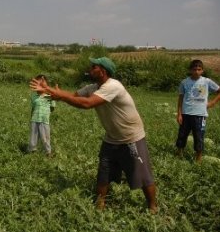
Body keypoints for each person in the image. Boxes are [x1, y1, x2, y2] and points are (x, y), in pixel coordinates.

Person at [30, 57, 157, 212]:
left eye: (93, 66)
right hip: (111, 138)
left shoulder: (113, 86)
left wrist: (61, 95)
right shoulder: (92, 87)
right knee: (104, 173)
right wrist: (49, 91)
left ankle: (152, 206)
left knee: (142, 174)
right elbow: (74, 96)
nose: (90, 68)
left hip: (131, 137)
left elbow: (87, 103)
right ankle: (100, 204)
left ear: (103, 71)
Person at [175, 59, 220, 162]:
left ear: (202, 71)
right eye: (194, 69)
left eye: (199, 69)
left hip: (200, 115)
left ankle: (198, 158)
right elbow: (180, 98)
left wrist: (213, 103)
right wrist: (179, 114)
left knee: (198, 136)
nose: (196, 72)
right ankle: (179, 153)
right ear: (190, 70)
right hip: (186, 114)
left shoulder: (206, 81)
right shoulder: (184, 82)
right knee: (182, 135)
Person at [27, 75, 56, 157]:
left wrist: (47, 113)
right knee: (33, 136)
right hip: (35, 119)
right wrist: (31, 117)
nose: (40, 85)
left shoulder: (49, 96)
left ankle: (48, 152)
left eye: (42, 83)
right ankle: (32, 151)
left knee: (45, 137)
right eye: (38, 83)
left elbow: (52, 107)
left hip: (44, 120)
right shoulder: (33, 96)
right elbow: (33, 108)